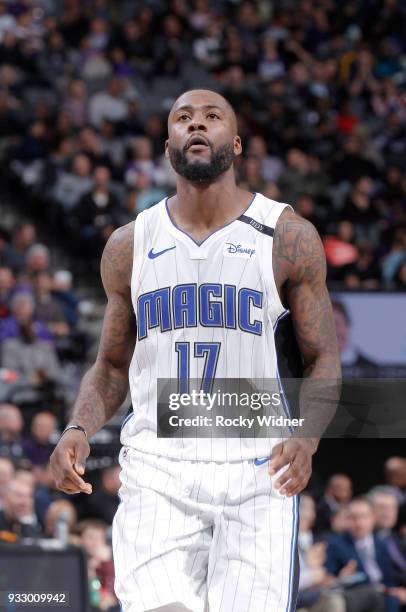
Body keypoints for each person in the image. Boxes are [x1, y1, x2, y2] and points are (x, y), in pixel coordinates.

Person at [50, 89, 341, 611]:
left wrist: (308, 437)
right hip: (160, 463)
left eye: (211, 117)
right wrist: (77, 429)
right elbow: (111, 366)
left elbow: (322, 357)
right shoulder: (129, 244)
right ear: (169, 146)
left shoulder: (286, 236)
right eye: (184, 119)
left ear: (236, 141)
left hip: (257, 462)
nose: (197, 125)